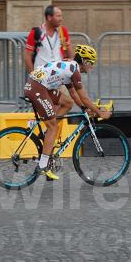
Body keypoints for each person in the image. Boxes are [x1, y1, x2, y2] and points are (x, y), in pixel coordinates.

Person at [24, 44, 110, 180]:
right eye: (91, 63)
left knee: (67, 103)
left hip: (39, 85)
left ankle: (48, 134)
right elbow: (84, 98)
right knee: (54, 127)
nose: (92, 67)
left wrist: (85, 109)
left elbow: (74, 95)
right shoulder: (74, 71)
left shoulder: (70, 66)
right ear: (85, 61)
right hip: (37, 87)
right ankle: (42, 166)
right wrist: (100, 112)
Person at [24, 5, 75, 113]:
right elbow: (27, 56)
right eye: (58, 16)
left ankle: (53, 128)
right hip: (42, 79)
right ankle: (48, 128)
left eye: (61, 16)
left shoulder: (62, 32)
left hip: (58, 78)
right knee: (45, 110)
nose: (61, 18)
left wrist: (67, 46)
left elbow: (70, 56)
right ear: (49, 17)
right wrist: (33, 76)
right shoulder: (36, 33)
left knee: (65, 105)